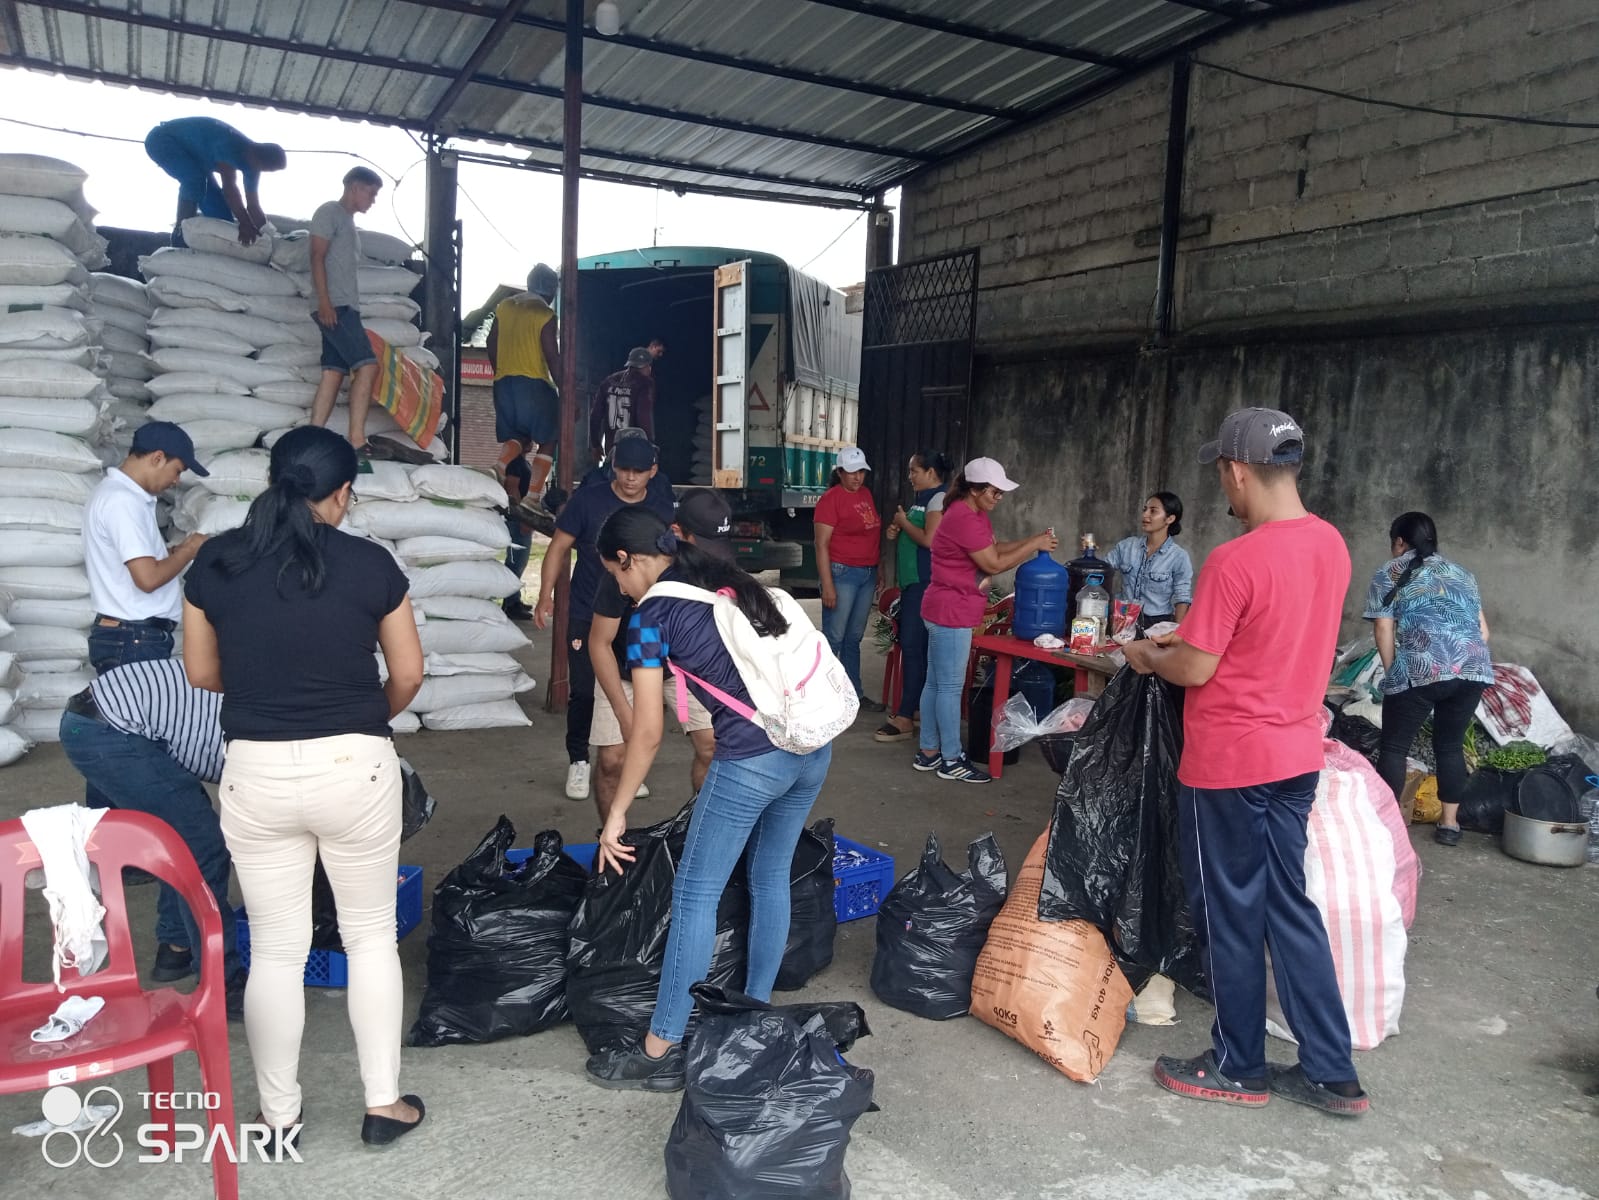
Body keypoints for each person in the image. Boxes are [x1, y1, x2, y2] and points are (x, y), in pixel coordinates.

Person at [181, 425, 427, 1147]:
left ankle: (277, 1117)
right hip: (354, 766)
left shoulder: (216, 561)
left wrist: (267, 693)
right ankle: (382, 1105)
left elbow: (201, 672)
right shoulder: (370, 564)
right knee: (370, 938)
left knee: (276, 950)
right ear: (343, 493)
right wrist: (361, 720)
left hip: (254, 770)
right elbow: (408, 673)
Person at [1122, 407, 1368, 1118]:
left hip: (1230, 764)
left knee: (1229, 914)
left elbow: (1196, 668)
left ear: (1235, 471)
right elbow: (1267, 637)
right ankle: (1331, 1073)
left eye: (1222, 475)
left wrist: (1146, 656)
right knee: (1288, 907)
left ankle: (1237, 1066)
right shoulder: (1331, 544)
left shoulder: (1235, 560)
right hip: (1295, 757)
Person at [583, 507, 833, 1091]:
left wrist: (616, 814)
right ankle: (752, 1016)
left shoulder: (651, 617)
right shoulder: (731, 581)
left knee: (695, 895)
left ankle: (659, 1049)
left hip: (750, 761)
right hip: (811, 748)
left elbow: (647, 731)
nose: (621, 590)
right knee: (769, 877)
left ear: (628, 559)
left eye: (616, 576)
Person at [58, 659, 245, 1018]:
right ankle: (224, 983)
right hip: (109, 729)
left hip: (106, 717)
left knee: (179, 835)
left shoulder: (267, 707)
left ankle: (176, 949)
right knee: (203, 847)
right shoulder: (261, 735)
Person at [535, 435, 675, 802]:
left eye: (638, 471)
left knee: (641, 689)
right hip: (587, 611)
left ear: (652, 472)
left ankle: (630, 764)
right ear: (612, 467)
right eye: (623, 469)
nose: (630, 478)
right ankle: (579, 759)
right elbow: (558, 547)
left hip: (640, 617)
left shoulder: (660, 508)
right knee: (584, 690)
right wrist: (545, 594)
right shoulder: (588, 500)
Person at [589, 489, 732, 816]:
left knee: (712, 745)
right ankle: (612, 838)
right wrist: (624, 713)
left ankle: (701, 831)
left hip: (680, 666)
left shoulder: (702, 570)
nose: (622, 588)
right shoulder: (624, 578)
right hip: (623, 667)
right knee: (613, 759)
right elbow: (600, 643)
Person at [916, 458, 1057, 783]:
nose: (999, 497)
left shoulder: (972, 514)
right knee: (949, 688)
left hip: (945, 607)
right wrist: (1033, 545)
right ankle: (951, 759)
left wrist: (1032, 540)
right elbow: (992, 563)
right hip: (952, 611)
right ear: (975, 489)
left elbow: (993, 548)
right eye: (995, 491)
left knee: (936, 683)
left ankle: (928, 751)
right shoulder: (963, 517)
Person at [1364, 511, 1493, 846]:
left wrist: (1394, 672)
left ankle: (1389, 826)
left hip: (1422, 668)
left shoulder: (1389, 572)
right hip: (1473, 668)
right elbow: (1483, 632)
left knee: (1394, 746)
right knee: (1449, 745)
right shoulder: (1462, 573)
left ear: (1399, 542)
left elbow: (1383, 627)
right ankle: (1449, 825)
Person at [82, 422, 208, 677]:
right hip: (134, 639)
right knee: (137, 705)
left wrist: (175, 553)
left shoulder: (116, 495)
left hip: (130, 637)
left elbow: (138, 564)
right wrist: (191, 550)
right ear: (158, 458)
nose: (176, 481)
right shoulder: (123, 502)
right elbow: (147, 579)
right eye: (177, 471)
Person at [307, 167, 412, 461]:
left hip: (343, 306)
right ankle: (356, 440)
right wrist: (325, 302)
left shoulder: (349, 223)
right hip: (335, 306)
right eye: (371, 193)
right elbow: (316, 255)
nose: (373, 200)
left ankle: (312, 437)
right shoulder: (330, 212)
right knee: (367, 365)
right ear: (354, 187)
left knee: (333, 372)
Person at [878, 450, 953, 742]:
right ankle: (915, 708)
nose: (910, 477)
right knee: (915, 648)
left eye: (914, 471)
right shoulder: (923, 499)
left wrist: (904, 521)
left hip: (924, 583)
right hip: (913, 583)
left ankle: (905, 717)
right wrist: (897, 530)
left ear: (931, 472)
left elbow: (930, 540)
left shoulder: (939, 499)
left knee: (912, 647)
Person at [814, 447, 886, 713]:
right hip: (842, 572)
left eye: (861, 472)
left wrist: (878, 568)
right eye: (852, 472)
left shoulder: (865, 495)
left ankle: (853, 694)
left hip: (866, 573)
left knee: (853, 638)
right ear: (840, 472)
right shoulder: (830, 500)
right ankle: (822, 697)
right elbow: (821, 545)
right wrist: (827, 585)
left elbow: (871, 534)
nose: (858, 477)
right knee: (834, 637)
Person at [486, 264, 562, 513]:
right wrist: (566, 394)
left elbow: (491, 342)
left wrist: (500, 372)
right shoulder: (545, 314)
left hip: (503, 383)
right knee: (549, 438)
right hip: (534, 384)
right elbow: (552, 356)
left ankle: (499, 467)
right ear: (551, 291)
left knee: (519, 435)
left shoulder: (505, 306)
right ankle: (532, 498)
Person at [143, 116, 285, 246]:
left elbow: (253, 206)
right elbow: (230, 188)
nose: (264, 171)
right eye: (268, 169)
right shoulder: (231, 145)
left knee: (222, 217)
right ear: (259, 157)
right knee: (194, 181)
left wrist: (268, 235)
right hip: (162, 140)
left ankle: (199, 244)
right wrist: (245, 222)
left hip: (197, 161)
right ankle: (180, 232)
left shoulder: (253, 167)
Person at [1106, 492, 1195, 627]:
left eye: (1153, 511)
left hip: (1157, 623)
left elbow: (1182, 597)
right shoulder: (1126, 546)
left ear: (1170, 519)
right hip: (1123, 618)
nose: (1145, 515)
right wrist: (1089, 553)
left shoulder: (1178, 556)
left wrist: (1177, 631)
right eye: (1145, 509)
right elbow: (1102, 570)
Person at [588, 347, 656, 460]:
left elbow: (595, 416)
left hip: (612, 449)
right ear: (648, 367)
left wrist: (595, 444)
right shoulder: (645, 384)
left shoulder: (609, 382)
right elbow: (644, 417)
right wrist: (650, 445)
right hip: (635, 449)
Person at [502, 456, 535, 621]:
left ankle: (514, 598)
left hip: (521, 519)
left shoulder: (524, 463)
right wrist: (522, 517)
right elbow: (512, 490)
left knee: (521, 562)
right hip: (517, 521)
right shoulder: (515, 464)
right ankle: (510, 604)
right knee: (515, 562)